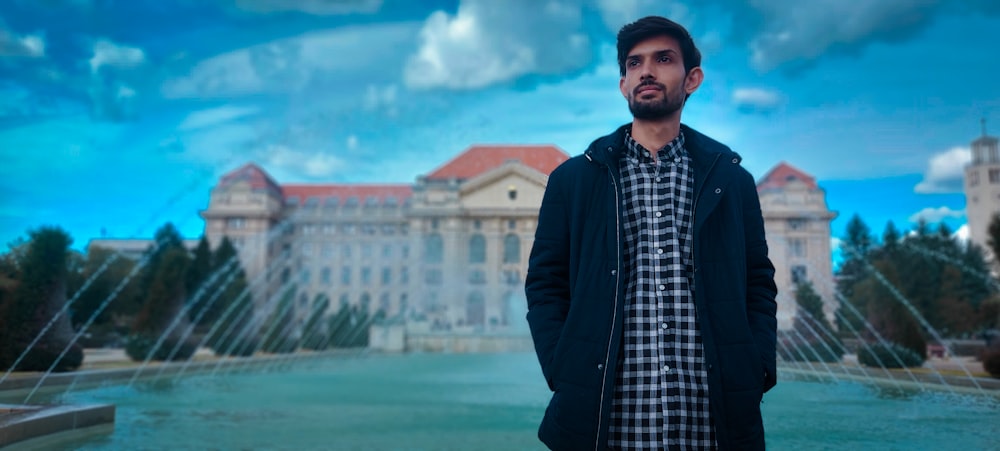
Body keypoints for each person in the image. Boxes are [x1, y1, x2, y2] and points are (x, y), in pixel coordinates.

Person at [525, 16, 778, 451]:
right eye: (634, 63)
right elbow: (545, 284)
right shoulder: (574, 180)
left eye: (663, 59)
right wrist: (563, 367)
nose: (646, 71)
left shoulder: (731, 181)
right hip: (605, 424)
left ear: (692, 78)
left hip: (711, 424)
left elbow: (758, 283)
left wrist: (754, 368)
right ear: (623, 84)